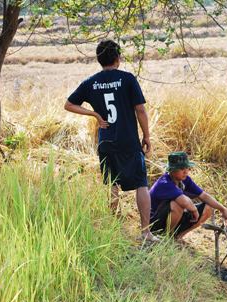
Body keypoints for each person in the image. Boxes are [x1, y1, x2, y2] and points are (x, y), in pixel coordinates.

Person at [64, 40, 157, 242]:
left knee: (111, 183)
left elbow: (69, 104)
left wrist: (94, 114)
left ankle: (114, 229)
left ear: (99, 59)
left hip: (105, 140)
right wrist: (147, 135)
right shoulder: (127, 79)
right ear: (118, 57)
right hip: (128, 140)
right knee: (141, 184)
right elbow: (140, 110)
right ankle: (145, 232)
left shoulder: (91, 82)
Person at [149, 151, 227, 238]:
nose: (185, 171)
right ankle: (167, 237)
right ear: (172, 170)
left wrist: (223, 209)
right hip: (155, 223)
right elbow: (184, 201)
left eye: (187, 168)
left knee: (208, 208)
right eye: (181, 168)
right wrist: (194, 210)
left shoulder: (185, 180)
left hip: (173, 219)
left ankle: (178, 237)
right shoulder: (164, 182)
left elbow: (204, 196)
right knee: (177, 204)